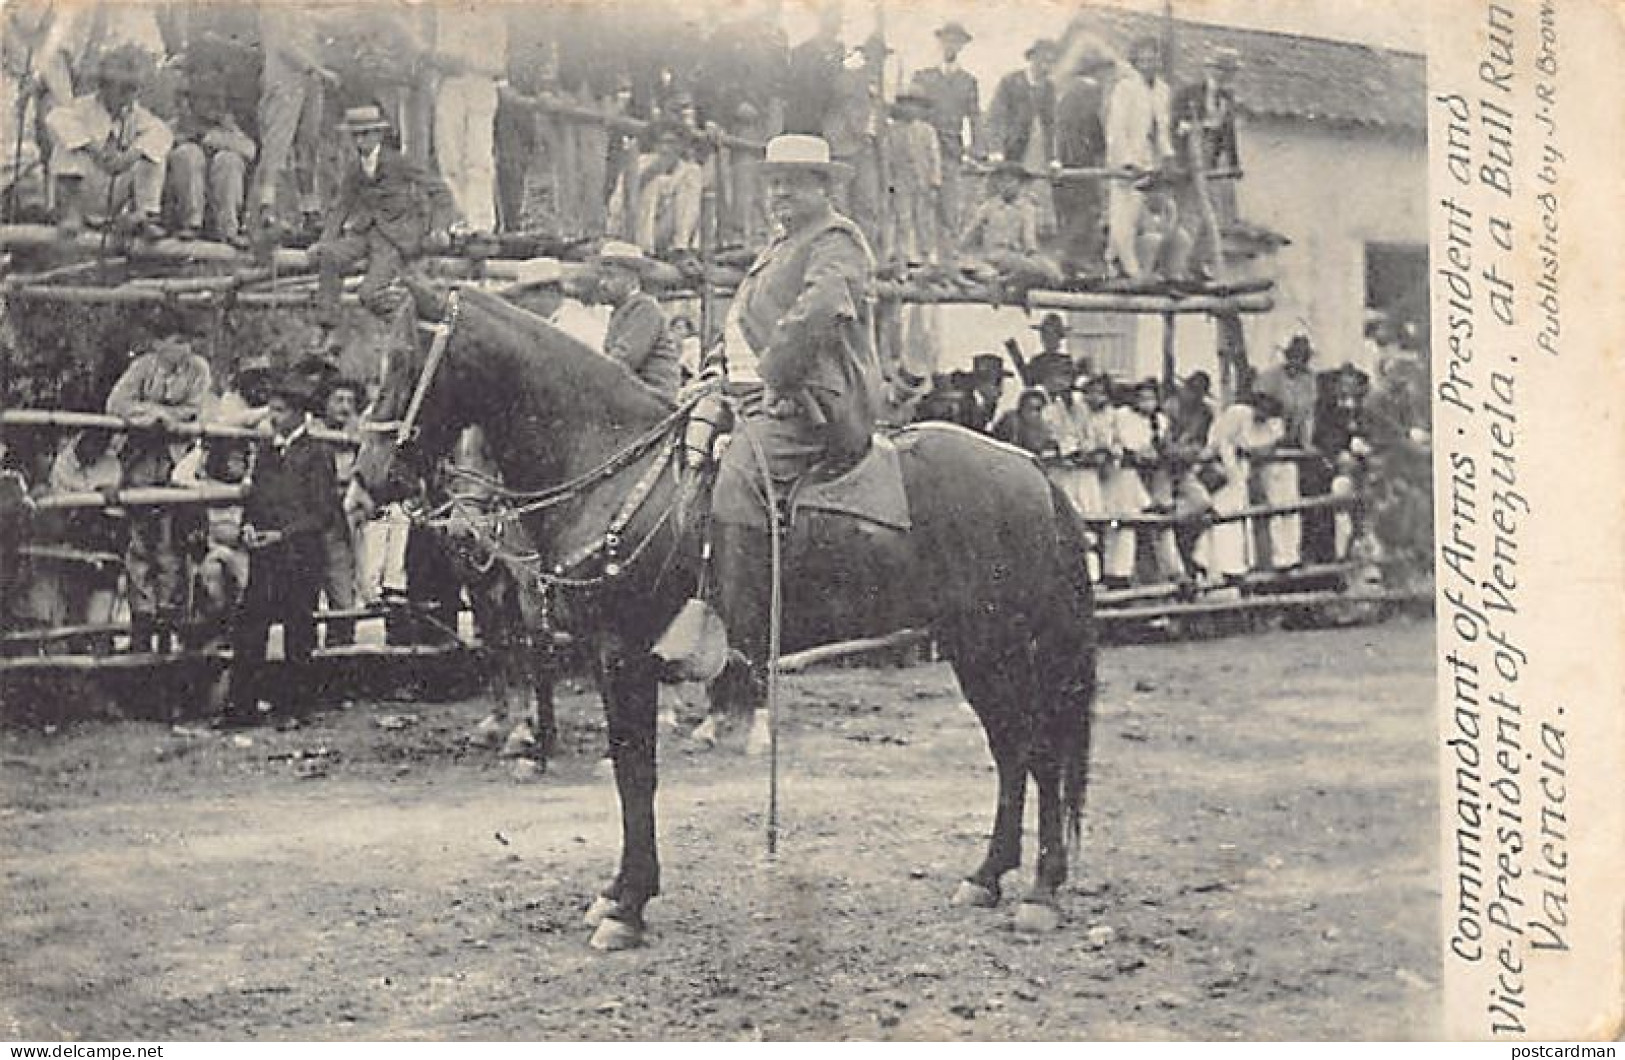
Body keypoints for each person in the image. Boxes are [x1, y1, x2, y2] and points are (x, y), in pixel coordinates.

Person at [704, 133, 881, 665]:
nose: (779, 192)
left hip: (810, 401)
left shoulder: (836, 239)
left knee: (737, 480)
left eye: (793, 183)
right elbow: (740, 324)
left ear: (822, 187)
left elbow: (822, 309)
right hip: (748, 395)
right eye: (774, 182)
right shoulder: (777, 248)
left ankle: (744, 652)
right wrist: (712, 370)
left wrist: (773, 377)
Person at [221, 374, 339, 728]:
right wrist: (249, 527)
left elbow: (322, 514)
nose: (273, 417)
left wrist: (283, 535)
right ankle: (241, 708)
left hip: (301, 557)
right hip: (265, 555)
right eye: (271, 409)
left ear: (301, 414)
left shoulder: (319, 453)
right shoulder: (267, 451)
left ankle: (295, 708)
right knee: (249, 626)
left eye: (281, 411)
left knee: (298, 630)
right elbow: (256, 498)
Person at [105, 329, 212, 652]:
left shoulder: (198, 369)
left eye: (186, 340)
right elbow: (117, 403)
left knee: (170, 544)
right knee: (139, 544)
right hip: (139, 461)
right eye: (175, 340)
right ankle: (142, 621)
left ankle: (168, 620)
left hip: (175, 463)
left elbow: (196, 407)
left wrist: (164, 416)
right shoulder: (143, 367)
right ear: (158, 344)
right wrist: (153, 414)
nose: (183, 347)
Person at [310, 104, 460, 328]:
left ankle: (411, 325)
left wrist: (439, 228)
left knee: (369, 293)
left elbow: (441, 191)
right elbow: (341, 208)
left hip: (395, 239)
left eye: (364, 135)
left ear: (378, 135)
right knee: (329, 256)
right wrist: (324, 241)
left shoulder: (398, 162)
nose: (359, 142)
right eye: (355, 136)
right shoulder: (354, 168)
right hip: (365, 233)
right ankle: (325, 330)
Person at [45, 43, 172, 236]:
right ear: (103, 86)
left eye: (132, 89)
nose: (127, 95)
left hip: (112, 195)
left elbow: (162, 132)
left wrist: (130, 155)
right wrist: (92, 149)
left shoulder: (137, 115)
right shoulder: (81, 108)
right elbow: (56, 117)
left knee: (152, 152)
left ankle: (145, 215)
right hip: (83, 190)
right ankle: (72, 214)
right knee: (68, 146)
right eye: (121, 88)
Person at [248, 1, 337, 240]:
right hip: (285, 81)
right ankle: (266, 208)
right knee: (277, 145)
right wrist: (317, 69)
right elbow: (282, 45)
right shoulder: (274, 6)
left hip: (311, 83)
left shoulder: (306, 8)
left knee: (308, 146)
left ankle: (310, 210)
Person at [429, 5, 506, 234]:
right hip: (449, 85)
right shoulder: (443, 11)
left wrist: (470, 61)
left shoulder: (493, 13)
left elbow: (499, 63)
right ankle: (457, 219)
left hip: (480, 83)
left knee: (479, 157)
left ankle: (481, 223)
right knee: (449, 156)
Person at [1104, 36, 1173, 280]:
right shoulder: (1125, 88)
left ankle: (1113, 259)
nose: (1149, 62)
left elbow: (1162, 127)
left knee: (1138, 216)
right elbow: (1116, 128)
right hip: (1128, 160)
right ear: (1136, 60)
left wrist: (1166, 155)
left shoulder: (1163, 90)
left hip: (1150, 160)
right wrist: (1126, 161)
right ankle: (1128, 267)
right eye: (1144, 58)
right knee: (1123, 213)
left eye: (1153, 57)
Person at [170, 437, 250, 647]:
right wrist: (200, 449)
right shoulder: (203, 484)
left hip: (241, 556)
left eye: (242, 459)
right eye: (233, 459)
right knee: (213, 569)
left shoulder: (246, 486)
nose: (238, 464)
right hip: (211, 558)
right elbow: (178, 476)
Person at [910, 21, 979, 260]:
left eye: (957, 41)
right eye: (948, 40)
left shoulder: (968, 81)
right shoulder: (923, 77)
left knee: (949, 209)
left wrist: (977, 151)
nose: (952, 45)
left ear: (962, 45)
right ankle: (921, 260)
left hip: (951, 152)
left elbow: (975, 118)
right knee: (922, 204)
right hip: (924, 151)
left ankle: (948, 262)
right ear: (940, 42)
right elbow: (911, 111)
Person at [1202, 389, 1285, 586]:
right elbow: (1218, 439)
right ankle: (1214, 564)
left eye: (1267, 413)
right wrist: (1225, 463)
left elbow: (1262, 447)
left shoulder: (1273, 427)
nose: (1262, 415)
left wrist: (1246, 455)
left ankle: (1236, 566)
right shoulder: (1238, 413)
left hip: (1242, 472)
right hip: (1223, 467)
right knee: (1222, 514)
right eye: (1260, 410)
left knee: (1240, 518)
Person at [1252, 330, 1318, 571]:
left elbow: (1308, 415)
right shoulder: (1270, 378)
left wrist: (1306, 442)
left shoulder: (1309, 381)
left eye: (1302, 358)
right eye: (1294, 357)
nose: (1297, 362)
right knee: (1273, 501)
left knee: (1291, 501)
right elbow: (1260, 409)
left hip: (1292, 447)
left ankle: (1291, 555)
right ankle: (1275, 558)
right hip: (1270, 442)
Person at [1114, 378, 1187, 586]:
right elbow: (1124, 443)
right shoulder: (1124, 416)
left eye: (1151, 398)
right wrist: (1137, 454)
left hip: (1156, 476)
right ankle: (1125, 576)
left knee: (1161, 524)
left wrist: (1160, 454)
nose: (1147, 402)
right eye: (1142, 397)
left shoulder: (1160, 421)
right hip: (1130, 476)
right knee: (1129, 526)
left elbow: (1164, 447)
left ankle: (1172, 573)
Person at [166, 80, 256, 244]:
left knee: (229, 160)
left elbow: (250, 151)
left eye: (217, 100)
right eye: (207, 99)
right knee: (188, 154)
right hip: (180, 205)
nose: (215, 105)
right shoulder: (176, 126)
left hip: (218, 204)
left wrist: (209, 139)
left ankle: (229, 229)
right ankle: (191, 224)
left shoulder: (227, 129)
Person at [985, 38, 1058, 237]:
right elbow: (996, 116)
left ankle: (1017, 237)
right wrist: (996, 149)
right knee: (996, 190)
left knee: (1022, 191)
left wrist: (1053, 158)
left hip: (1028, 147)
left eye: (1051, 62)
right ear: (1032, 59)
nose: (1046, 66)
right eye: (1043, 61)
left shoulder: (1048, 88)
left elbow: (1050, 124)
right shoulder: (1011, 82)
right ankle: (986, 236)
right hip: (1007, 145)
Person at [594, 241, 682, 401]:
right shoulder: (621, 310)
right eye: (601, 276)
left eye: (610, 276)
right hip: (634, 392)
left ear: (632, 278)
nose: (602, 283)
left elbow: (624, 360)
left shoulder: (645, 308)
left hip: (654, 395)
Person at [1054, 51, 1114, 276]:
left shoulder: (1068, 92)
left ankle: (1072, 258)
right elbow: (1092, 124)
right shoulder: (1089, 89)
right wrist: (1100, 149)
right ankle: (1075, 257)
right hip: (1079, 158)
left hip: (1067, 158)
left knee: (1075, 210)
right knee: (1087, 208)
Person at [959, 161, 1060, 288]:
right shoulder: (989, 206)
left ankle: (1010, 280)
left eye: (1011, 181)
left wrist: (1036, 257)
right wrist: (958, 249)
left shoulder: (1026, 208)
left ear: (1020, 184)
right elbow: (970, 231)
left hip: (1015, 256)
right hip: (994, 255)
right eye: (1002, 181)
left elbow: (1029, 241)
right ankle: (1005, 280)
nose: (1005, 186)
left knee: (1052, 271)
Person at [1172, 46, 1241, 228]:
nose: (1225, 76)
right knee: (1186, 198)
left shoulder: (1227, 97)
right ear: (1210, 70)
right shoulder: (1190, 92)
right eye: (1221, 70)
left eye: (1230, 72)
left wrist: (1234, 163)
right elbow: (1174, 123)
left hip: (1211, 153)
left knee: (1207, 200)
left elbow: (1229, 132)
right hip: (1189, 151)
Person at [318, 379, 363, 646]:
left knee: (343, 595)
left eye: (350, 401)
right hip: (313, 519)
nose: (345, 407)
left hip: (341, 522)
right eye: (338, 400)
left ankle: (342, 656)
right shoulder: (313, 430)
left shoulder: (358, 433)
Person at [883, 92, 941, 267]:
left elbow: (934, 157)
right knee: (903, 220)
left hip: (923, 182)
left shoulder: (927, 131)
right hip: (901, 183)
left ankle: (927, 255)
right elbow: (887, 158)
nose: (910, 109)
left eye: (915, 106)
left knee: (924, 220)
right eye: (906, 105)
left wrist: (934, 182)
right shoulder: (892, 131)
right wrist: (890, 184)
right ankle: (903, 256)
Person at [992, 387, 1058, 458]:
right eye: (1034, 409)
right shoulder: (1011, 420)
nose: (1038, 414)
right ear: (1021, 408)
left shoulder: (1042, 427)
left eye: (1040, 409)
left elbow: (1047, 448)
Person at [966, 353, 1012, 433]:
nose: (1000, 390)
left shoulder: (989, 406)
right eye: (997, 382)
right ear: (980, 382)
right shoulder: (966, 406)